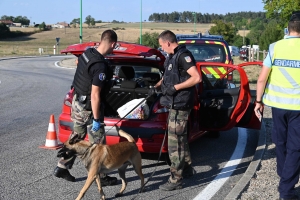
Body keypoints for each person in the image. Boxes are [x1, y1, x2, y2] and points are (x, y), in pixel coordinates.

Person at [54, 29, 118, 186]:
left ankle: (62, 166)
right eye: (114, 47)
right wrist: (97, 119)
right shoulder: (100, 66)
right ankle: (101, 176)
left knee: (77, 136)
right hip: (88, 108)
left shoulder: (87, 53)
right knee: (99, 142)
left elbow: (78, 65)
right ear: (112, 44)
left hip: (77, 103)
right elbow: (95, 95)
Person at [254, 11, 300, 200]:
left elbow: (262, 79)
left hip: (277, 106)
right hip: (298, 108)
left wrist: (258, 101)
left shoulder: (274, 47)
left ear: (288, 28)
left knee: (280, 143)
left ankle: (285, 178)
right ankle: (286, 188)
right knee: (296, 147)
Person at [150, 30, 201, 191]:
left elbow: (196, 77)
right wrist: (156, 86)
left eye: (162, 46)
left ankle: (175, 179)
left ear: (168, 43)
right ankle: (186, 169)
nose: (162, 49)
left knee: (175, 144)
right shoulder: (171, 57)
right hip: (173, 103)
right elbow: (167, 76)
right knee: (180, 139)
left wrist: (175, 88)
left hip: (180, 104)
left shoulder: (183, 56)